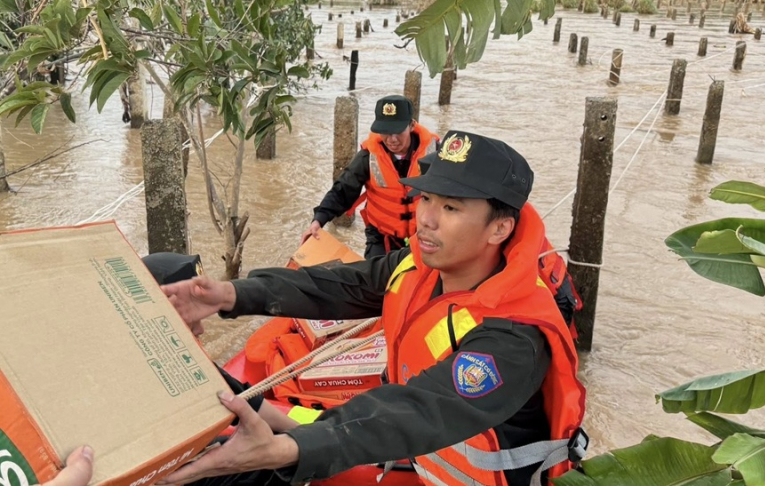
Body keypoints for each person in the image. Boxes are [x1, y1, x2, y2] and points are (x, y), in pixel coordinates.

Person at [161, 130, 588, 486]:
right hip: (425, 465)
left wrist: (296, 446)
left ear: (500, 228)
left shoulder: (514, 336)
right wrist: (230, 296)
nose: (426, 220)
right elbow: (338, 285)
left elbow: (420, 409)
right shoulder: (420, 266)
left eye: (451, 208)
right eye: (425, 200)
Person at [301, 95, 439, 259]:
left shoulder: (436, 153)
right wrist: (318, 221)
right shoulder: (368, 157)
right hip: (382, 237)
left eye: (398, 131)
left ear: (411, 125)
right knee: (374, 281)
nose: (392, 139)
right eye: (385, 132)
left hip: (425, 236)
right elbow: (342, 190)